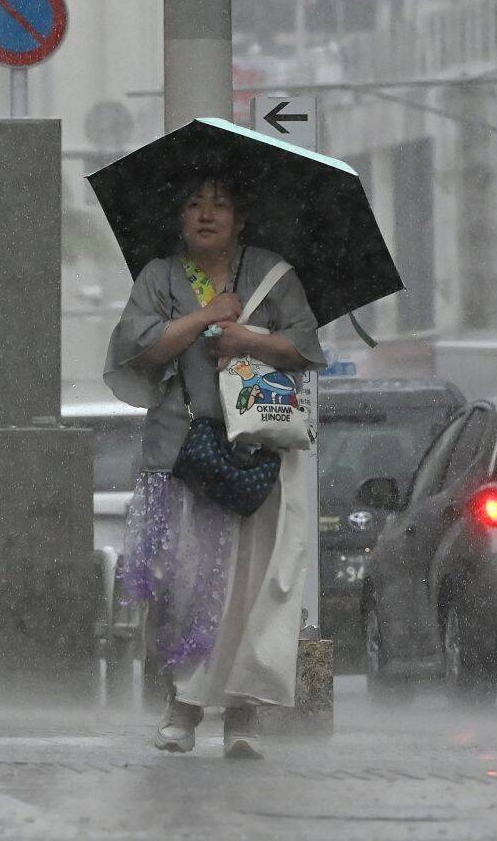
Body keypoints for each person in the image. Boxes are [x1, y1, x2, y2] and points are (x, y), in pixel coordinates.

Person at [104, 177, 324, 759]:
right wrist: (205, 317)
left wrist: (247, 339)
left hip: (258, 454)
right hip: (184, 455)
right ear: (179, 217)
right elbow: (140, 350)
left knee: (249, 588)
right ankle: (183, 706)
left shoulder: (273, 273)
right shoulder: (159, 277)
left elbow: (305, 348)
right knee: (184, 583)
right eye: (194, 204)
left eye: (220, 205)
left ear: (240, 218)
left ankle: (243, 715)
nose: (206, 215)